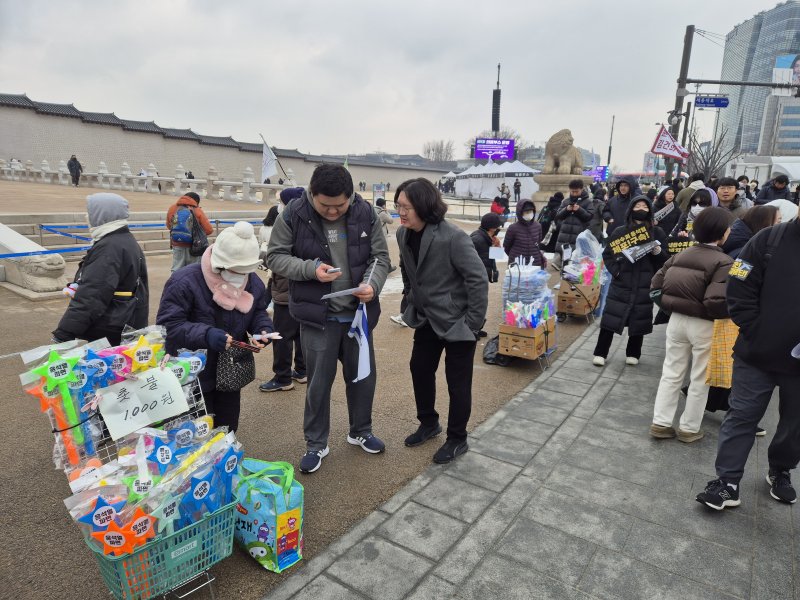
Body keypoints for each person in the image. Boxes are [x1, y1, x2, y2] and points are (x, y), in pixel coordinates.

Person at [267, 164, 390, 474]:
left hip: (357, 317)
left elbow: (380, 257)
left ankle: (360, 431)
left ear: (351, 196)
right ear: (312, 194)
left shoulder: (365, 213)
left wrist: (372, 285)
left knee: (362, 378)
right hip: (317, 317)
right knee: (318, 384)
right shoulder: (293, 214)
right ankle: (316, 443)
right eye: (325, 206)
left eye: (340, 205)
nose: (333, 212)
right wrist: (310, 269)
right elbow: (275, 256)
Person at [695, 203, 800, 510]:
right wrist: (755, 328)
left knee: (794, 424)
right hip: (756, 353)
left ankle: (781, 469)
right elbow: (738, 283)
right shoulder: (768, 239)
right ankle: (727, 481)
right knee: (741, 416)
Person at [395, 178, 488, 464]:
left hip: (457, 322)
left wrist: (472, 324)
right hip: (425, 319)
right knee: (419, 369)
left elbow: (478, 279)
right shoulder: (402, 234)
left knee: (457, 384)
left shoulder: (453, 237)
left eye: (406, 207)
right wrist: (410, 296)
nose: (401, 212)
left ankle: (457, 438)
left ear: (424, 205)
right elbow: (407, 268)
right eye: (398, 206)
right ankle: (428, 423)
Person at [157, 222, 273, 432]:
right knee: (195, 431)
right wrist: (208, 334)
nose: (240, 276)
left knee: (227, 426)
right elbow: (168, 326)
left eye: (244, 271)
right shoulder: (184, 281)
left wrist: (262, 328)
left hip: (229, 368)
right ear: (218, 263)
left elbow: (258, 310)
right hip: (191, 370)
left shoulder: (253, 282)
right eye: (234, 270)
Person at [649, 207, 735, 443]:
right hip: (705, 325)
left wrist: (670, 305)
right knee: (699, 379)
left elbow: (656, 284)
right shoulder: (725, 261)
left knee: (671, 372)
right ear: (723, 233)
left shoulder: (680, 255)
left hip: (676, 321)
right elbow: (716, 301)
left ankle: (661, 422)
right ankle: (688, 428)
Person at [53, 193, 148, 346]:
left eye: (89, 212)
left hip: (111, 328)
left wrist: (65, 332)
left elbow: (93, 293)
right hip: (124, 322)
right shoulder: (123, 240)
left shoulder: (110, 247)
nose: (87, 217)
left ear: (102, 214)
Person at [592, 195, 668, 366]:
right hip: (622, 282)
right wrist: (617, 272)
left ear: (650, 211)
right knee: (611, 317)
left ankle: (633, 353)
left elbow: (666, 260)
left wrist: (657, 252)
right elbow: (608, 255)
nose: (641, 209)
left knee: (639, 318)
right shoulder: (620, 232)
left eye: (645, 206)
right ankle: (600, 353)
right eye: (637, 206)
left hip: (644, 283)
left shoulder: (658, 233)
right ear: (631, 210)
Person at [166, 192, 213, 272]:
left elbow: (169, 226)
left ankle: (176, 284)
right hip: (194, 247)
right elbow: (209, 230)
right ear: (195, 201)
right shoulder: (197, 210)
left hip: (177, 245)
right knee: (194, 271)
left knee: (176, 269)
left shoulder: (173, 208)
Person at [553, 179, 594, 269]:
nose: (574, 193)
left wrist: (579, 209)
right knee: (564, 264)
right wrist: (566, 209)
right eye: (572, 191)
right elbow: (558, 215)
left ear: (582, 189)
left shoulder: (588, 202)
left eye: (577, 191)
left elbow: (589, 217)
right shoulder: (565, 201)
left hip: (579, 235)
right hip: (564, 236)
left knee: (576, 263)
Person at [503, 199, 546, 267]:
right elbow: (506, 247)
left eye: (531, 211)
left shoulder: (538, 226)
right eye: (526, 212)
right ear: (520, 213)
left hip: (534, 262)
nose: (529, 214)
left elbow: (538, 241)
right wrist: (515, 256)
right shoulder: (512, 228)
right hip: (517, 263)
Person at [471, 213, 502, 284]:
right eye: (498, 226)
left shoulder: (489, 238)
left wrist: (497, 246)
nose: (499, 228)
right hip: (476, 279)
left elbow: (494, 258)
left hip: (482, 278)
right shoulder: (477, 239)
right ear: (492, 228)